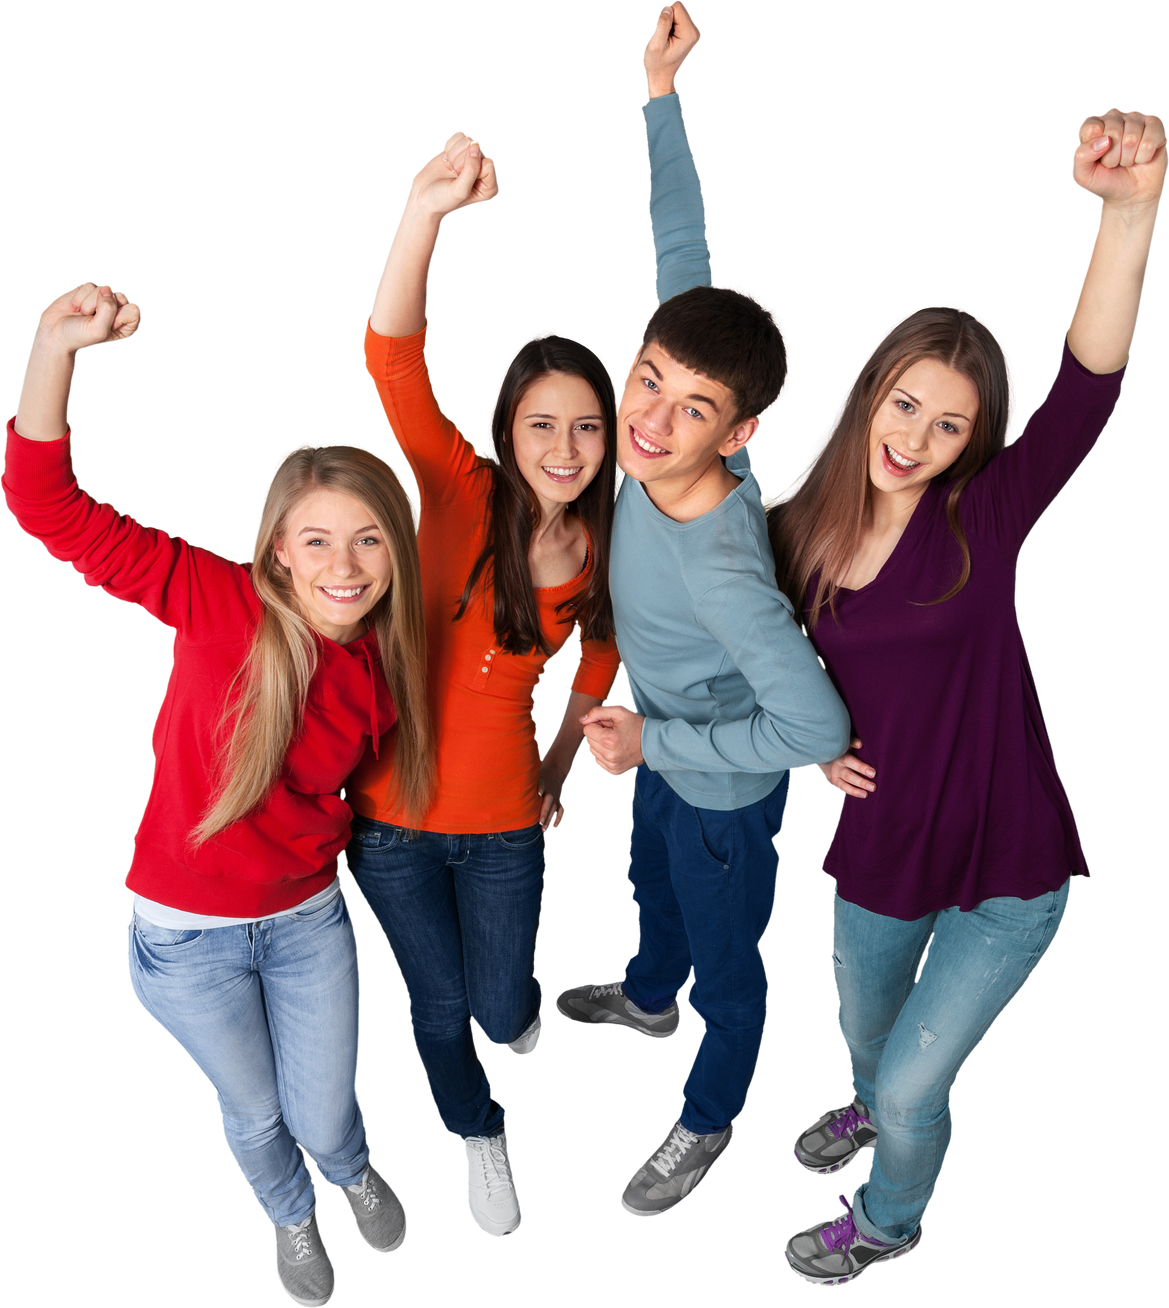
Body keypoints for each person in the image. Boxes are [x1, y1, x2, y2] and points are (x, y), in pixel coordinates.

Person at [763, 106, 1166, 1286]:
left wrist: (1128, 211)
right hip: (880, 850)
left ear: (972, 442)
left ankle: (886, 1220)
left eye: (950, 424)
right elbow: (751, 668)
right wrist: (797, 753)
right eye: (905, 405)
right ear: (870, 392)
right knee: (859, 1043)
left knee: (908, 1082)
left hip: (1007, 862)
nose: (918, 436)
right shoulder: (789, 535)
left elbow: (1086, 377)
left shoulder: (979, 520)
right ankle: (866, 1116)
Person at [3, 282, 436, 1308]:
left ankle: (350, 1172)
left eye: (369, 540)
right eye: (319, 540)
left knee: (329, 1116)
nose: (345, 565)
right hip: (187, 938)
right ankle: (289, 1215)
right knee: (253, 1116)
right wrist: (52, 351)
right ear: (277, 547)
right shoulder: (218, 604)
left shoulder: (384, 661)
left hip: (304, 924)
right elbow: (43, 504)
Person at [552, 2, 851, 1218]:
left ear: (739, 437)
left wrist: (657, 742)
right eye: (647, 380)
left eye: (688, 409)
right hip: (659, 744)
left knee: (728, 977)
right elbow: (678, 241)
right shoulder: (657, 397)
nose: (645, 417)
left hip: (722, 780)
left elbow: (817, 733)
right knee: (652, 891)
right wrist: (658, 92)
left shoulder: (727, 572)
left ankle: (706, 1121)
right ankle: (643, 991)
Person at [344, 136, 622, 1237]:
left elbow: (596, 666)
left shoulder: (604, 552)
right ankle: (477, 1140)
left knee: (501, 1009)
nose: (563, 446)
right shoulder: (456, 493)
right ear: (506, 429)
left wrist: (561, 764)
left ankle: (496, 1056)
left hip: (508, 825)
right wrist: (423, 212)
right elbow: (391, 357)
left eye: (585, 425)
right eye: (541, 422)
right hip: (395, 825)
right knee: (446, 1006)